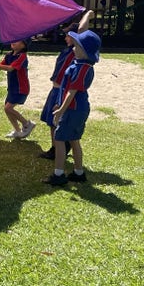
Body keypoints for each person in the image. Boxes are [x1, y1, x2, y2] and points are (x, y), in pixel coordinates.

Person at [43, 28, 101, 187]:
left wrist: (61, 109)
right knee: (74, 140)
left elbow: (72, 92)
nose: (73, 48)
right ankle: (78, 172)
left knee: (60, 139)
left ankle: (58, 174)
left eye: (76, 46)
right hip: (78, 109)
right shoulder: (82, 65)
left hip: (73, 109)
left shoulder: (82, 68)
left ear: (84, 51)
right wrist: (59, 103)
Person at [39, 10, 94, 160]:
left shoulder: (76, 51)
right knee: (51, 121)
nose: (65, 37)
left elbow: (82, 31)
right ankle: (55, 148)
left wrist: (87, 15)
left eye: (68, 34)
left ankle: (59, 149)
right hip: (55, 89)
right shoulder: (67, 50)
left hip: (61, 91)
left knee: (57, 121)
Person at [0, 39, 36, 139]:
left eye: (17, 41)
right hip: (12, 88)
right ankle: (17, 131)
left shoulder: (22, 56)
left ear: (23, 45)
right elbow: (0, 67)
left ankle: (27, 124)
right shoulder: (9, 55)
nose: (13, 42)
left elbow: (10, 68)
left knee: (8, 108)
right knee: (8, 110)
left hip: (21, 88)